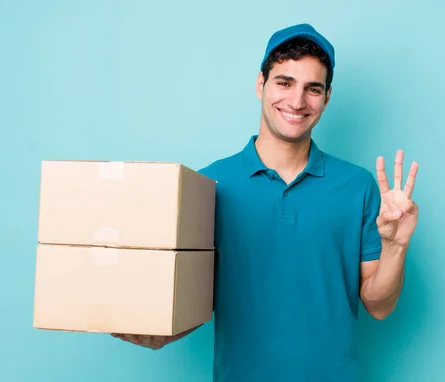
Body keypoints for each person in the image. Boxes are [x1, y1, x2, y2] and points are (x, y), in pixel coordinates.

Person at [113, 23, 419, 381]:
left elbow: (379, 306)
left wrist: (395, 246)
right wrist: (161, 333)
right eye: (284, 82)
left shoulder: (358, 186)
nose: (297, 101)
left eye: (313, 89)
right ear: (261, 84)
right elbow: (197, 295)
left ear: (327, 97)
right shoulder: (208, 184)